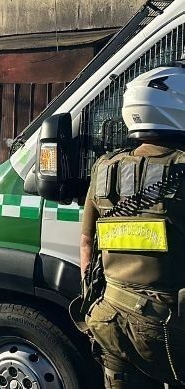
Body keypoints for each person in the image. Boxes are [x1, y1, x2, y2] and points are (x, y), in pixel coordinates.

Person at [79, 64, 185, 388]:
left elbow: (86, 243)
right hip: (169, 331)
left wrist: (91, 294)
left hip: (109, 319)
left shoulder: (104, 170)